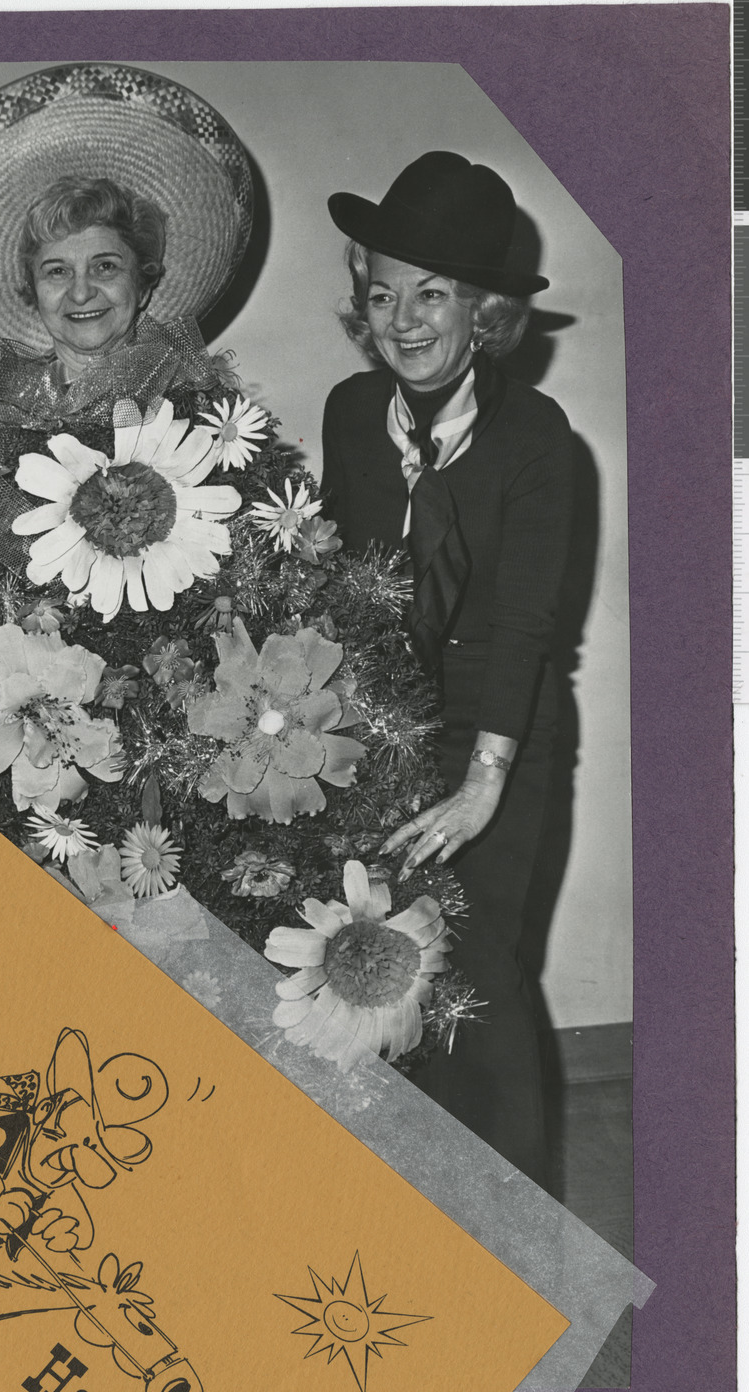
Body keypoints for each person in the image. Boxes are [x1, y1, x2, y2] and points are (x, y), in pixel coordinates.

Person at [319, 151, 575, 1188]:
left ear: (483, 311)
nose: (404, 319)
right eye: (381, 294)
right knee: (381, 973)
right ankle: (418, 1224)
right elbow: (343, 579)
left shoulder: (536, 438)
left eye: (431, 294)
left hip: (499, 742)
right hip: (381, 732)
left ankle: (527, 1247)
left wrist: (480, 785)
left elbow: (520, 624)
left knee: (480, 982)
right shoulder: (347, 413)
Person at [0, 62, 254, 559]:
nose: (81, 293)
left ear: (143, 285)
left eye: (104, 266)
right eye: (57, 271)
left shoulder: (201, 408)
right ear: (31, 293)